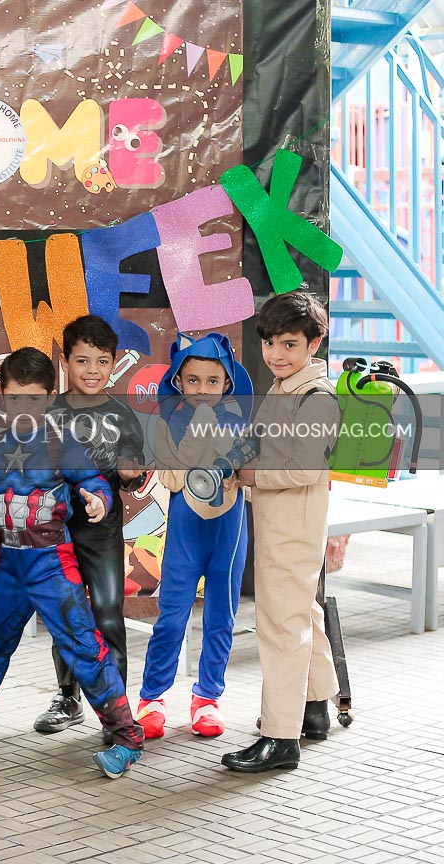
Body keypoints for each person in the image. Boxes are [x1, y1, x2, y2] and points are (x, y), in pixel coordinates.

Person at [0, 348, 145, 779]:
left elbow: (96, 483)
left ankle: (126, 736)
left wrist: (99, 502)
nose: (24, 408)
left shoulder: (65, 442)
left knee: (84, 646)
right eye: (15, 398)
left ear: (49, 398)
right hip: (11, 564)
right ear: (2, 396)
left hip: (52, 566)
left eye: (34, 399)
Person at [222, 291, 339, 772]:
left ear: (314, 343)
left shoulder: (316, 397)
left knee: (281, 628)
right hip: (280, 521)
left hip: (293, 527)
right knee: (302, 613)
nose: (276, 354)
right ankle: (314, 708)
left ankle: (280, 738)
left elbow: (306, 468)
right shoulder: (284, 387)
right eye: (270, 343)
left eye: (290, 344)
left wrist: (250, 475)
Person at [34, 316, 147, 738]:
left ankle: (117, 709)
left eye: (102, 361)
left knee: (107, 616)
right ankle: (67, 697)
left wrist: (131, 474)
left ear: (114, 363)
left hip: (102, 536)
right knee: (65, 616)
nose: (93, 370)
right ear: (65, 362)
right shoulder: (48, 412)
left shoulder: (122, 415)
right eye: (82, 360)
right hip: (57, 536)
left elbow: (132, 470)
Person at [139, 332, 252, 739]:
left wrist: (238, 466)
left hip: (229, 531)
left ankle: (207, 698)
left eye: (212, 381)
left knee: (221, 617)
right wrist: (198, 428)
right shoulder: (166, 423)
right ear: (178, 382)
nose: (203, 389)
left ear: (227, 382)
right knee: (172, 617)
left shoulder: (243, 423)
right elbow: (171, 479)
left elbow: (253, 477)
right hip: (186, 530)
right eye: (193, 380)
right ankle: (152, 698)